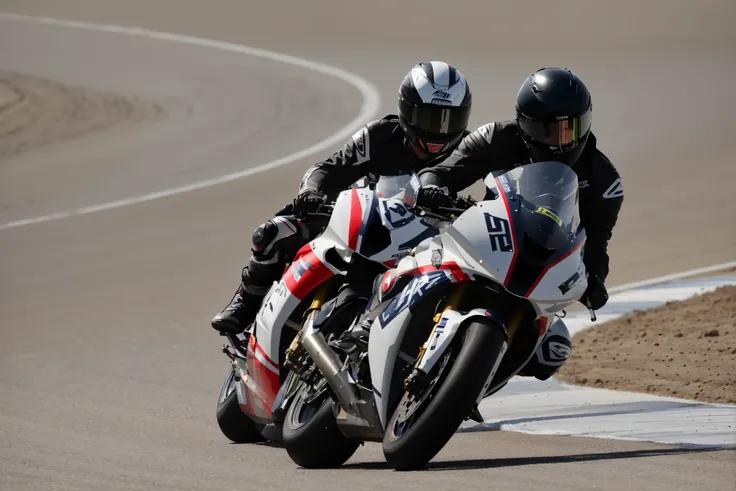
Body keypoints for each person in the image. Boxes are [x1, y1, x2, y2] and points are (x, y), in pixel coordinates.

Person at [211, 61, 473, 335]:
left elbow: (496, 192)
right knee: (272, 232)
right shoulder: (379, 135)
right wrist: (311, 192)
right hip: (358, 219)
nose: (439, 131)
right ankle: (247, 301)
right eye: (429, 119)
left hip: (419, 239)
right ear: (407, 111)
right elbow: (327, 169)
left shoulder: (467, 151)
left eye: (449, 120)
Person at [417, 67, 624, 380]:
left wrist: (595, 279)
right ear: (524, 124)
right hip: (484, 241)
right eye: (548, 131)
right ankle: (366, 327)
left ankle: (469, 385)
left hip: (538, 263)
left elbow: (597, 241)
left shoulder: (604, 180)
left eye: (571, 128)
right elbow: (447, 170)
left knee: (552, 348)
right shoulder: (496, 137)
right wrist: (431, 186)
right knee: (405, 252)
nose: (560, 141)